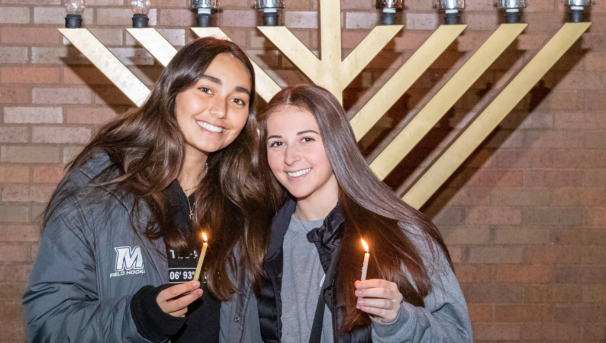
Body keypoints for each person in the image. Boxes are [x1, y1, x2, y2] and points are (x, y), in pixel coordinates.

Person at [22, 37, 269, 343]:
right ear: (173, 91)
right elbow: (49, 322)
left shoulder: (246, 198)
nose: (220, 110)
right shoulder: (99, 189)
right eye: (206, 89)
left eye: (238, 100)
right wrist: (138, 318)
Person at [251, 85, 473, 343]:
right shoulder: (257, 242)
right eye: (277, 143)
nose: (290, 157)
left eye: (307, 139)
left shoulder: (400, 235)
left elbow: (457, 336)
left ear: (336, 142)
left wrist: (398, 321)